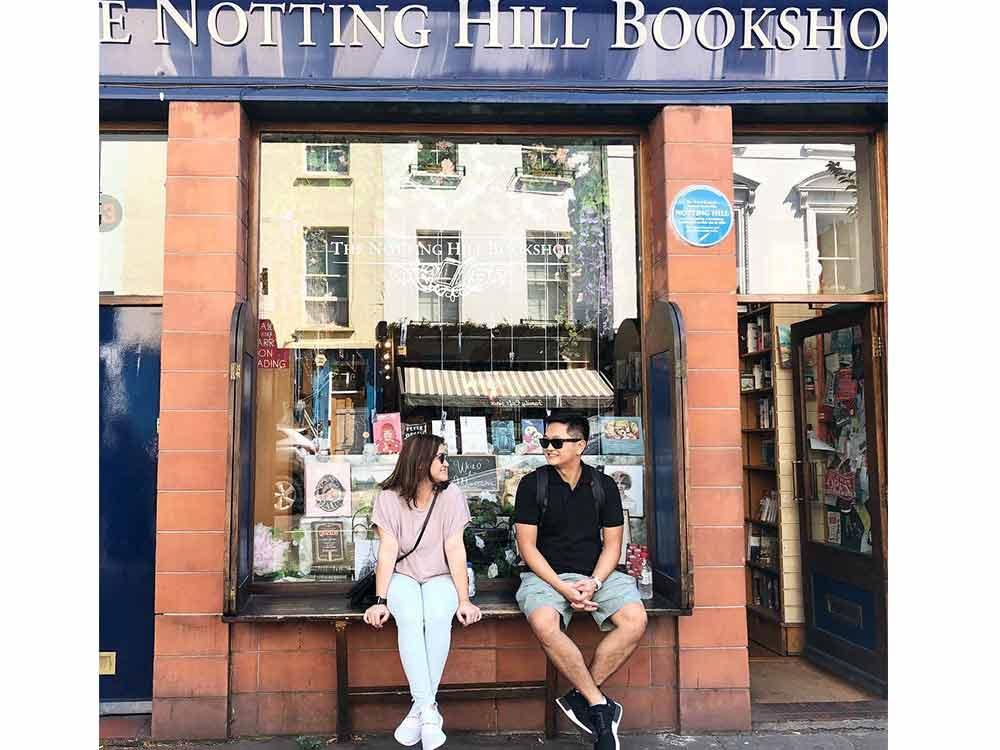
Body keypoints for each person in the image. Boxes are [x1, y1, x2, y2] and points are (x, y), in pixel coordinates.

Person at [514, 414, 647, 750]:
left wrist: (594, 584)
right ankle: (599, 706)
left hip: (596, 573)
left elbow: (613, 545)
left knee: (635, 621)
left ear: (580, 445)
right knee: (545, 623)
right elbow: (527, 548)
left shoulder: (603, 486)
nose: (548, 448)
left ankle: (580, 698)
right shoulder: (533, 485)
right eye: (545, 442)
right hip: (545, 576)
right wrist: (563, 589)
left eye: (556, 442)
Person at [364, 433, 482, 750]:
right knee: (411, 619)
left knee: (437, 616)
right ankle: (429, 710)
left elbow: (454, 548)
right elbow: (388, 550)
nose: (447, 464)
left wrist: (464, 599)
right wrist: (380, 601)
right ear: (421, 462)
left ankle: (422, 710)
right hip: (402, 575)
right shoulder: (388, 497)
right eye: (441, 457)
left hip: (441, 574)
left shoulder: (452, 495)